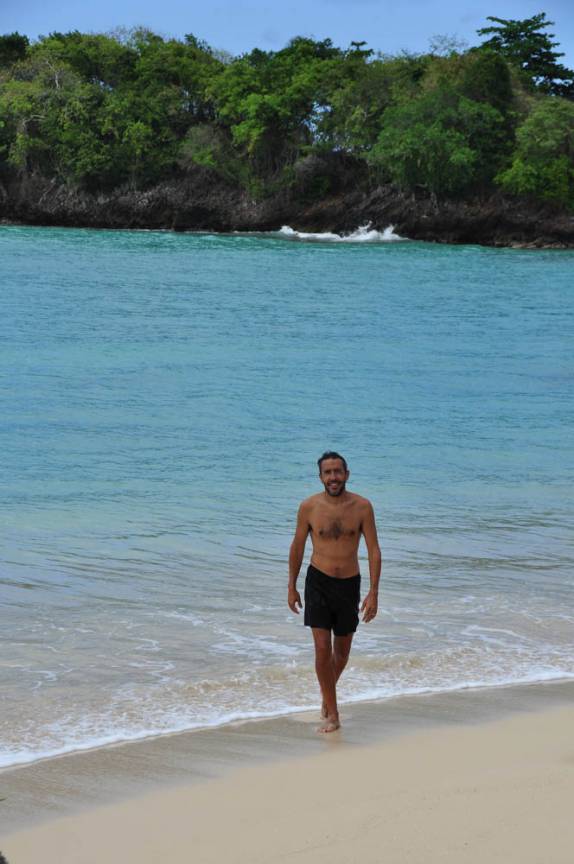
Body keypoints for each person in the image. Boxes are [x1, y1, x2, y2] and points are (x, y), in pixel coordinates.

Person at [288, 451, 381, 733]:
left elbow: (374, 550)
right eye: (327, 473)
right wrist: (291, 585)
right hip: (318, 581)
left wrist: (374, 592)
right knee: (321, 648)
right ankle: (333, 713)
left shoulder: (362, 506)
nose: (333, 477)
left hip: (349, 584)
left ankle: (326, 696)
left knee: (341, 653)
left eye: (337, 472)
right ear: (320, 477)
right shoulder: (309, 507)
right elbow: (298, 546)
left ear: (347, 474)